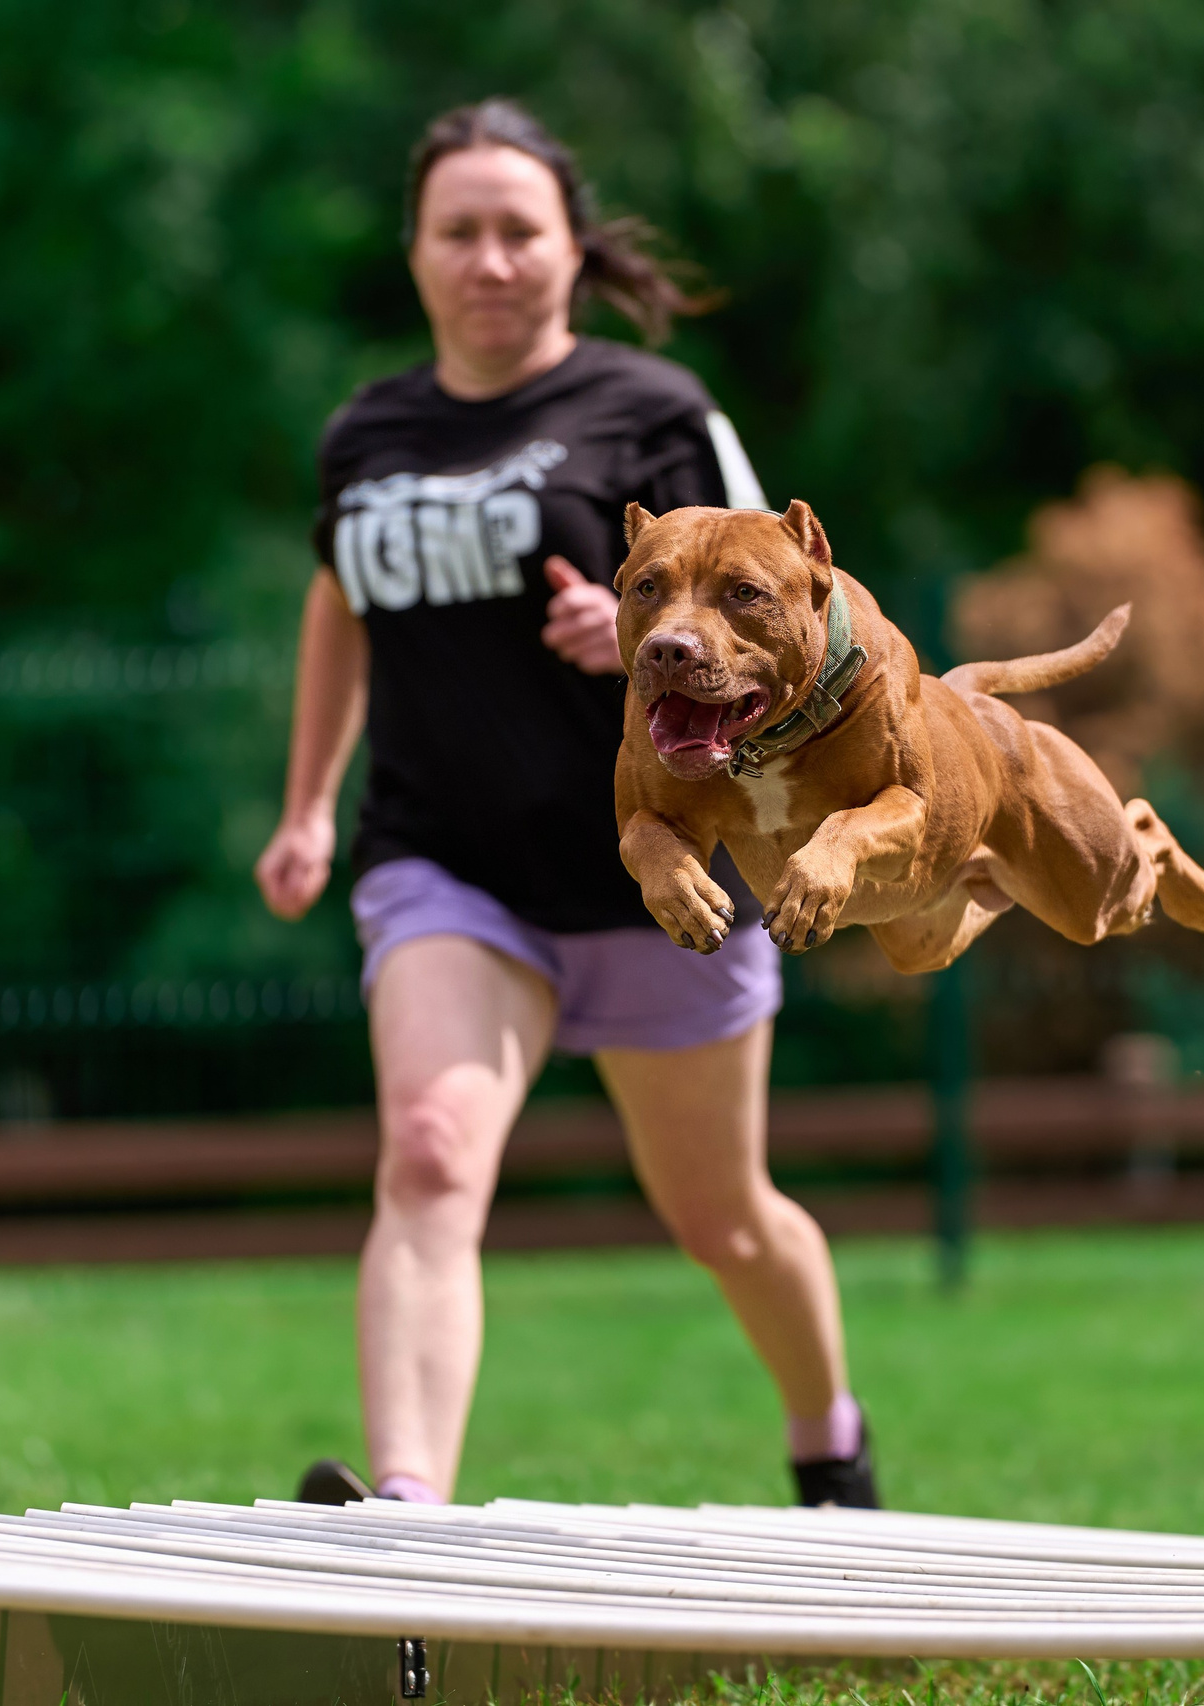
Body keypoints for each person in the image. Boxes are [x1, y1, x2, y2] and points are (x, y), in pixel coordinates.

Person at [253, 98, 875, 1510]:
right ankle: (406, 1516)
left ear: (571, 252)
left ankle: (830, 1445)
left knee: (723, 1218)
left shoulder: (653, 414)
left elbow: (797, 617)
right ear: (413, 254)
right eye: (456, 231)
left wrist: (649, 632)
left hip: (667, 875)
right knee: (427, 1154)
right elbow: (338, 602)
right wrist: (306, 802)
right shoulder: (367, 433)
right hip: (447, 865)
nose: (489, 258)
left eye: (518, 230)